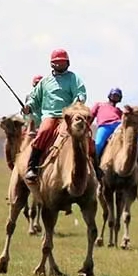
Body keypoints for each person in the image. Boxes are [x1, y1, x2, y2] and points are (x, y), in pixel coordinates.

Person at [22, 48, 90, 182]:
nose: (60, 64)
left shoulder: (73, 78)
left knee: (81, 134)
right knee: (44, 131)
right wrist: (28, 106)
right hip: (50, 115)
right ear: (51, 64)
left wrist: (79, 99)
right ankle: (32, 167)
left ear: (68, 63)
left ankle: (93, 165)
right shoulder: (45, 81)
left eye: (62, 62)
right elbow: (34, 97)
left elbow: (80, 92)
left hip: (68, 116)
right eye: (57, 62)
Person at [91, 88, 124, 179]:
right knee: (98, 144)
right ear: (109, 95)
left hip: (118, 126)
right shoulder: (99, 105)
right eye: (114, 95)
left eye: (117, 96)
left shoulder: (120, 111)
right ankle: (94, 167)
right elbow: (90, 116)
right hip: (105, 126)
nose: (115, 97)